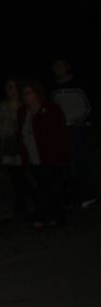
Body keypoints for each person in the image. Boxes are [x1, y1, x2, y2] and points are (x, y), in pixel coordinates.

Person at [17, 79, 71, 230]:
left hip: (50, 155)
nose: (26, 96)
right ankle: (48, 215)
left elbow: (59, 134)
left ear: (37, 94)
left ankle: (50, 217)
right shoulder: (23, 112)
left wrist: (62, 156)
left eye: (29, 93)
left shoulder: (51, 109)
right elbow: (21, 135)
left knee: (48, 187)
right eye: (24, 93)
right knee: (41, 187)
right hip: (32, 157)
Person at [50, 58, 95, 208]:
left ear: (67, 67)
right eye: (56, 66)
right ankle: (72, 196)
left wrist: (83, 119)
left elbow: (90, 106)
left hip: (77, 127)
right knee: (65, 163)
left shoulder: (80, 85)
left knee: (81, 161)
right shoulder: (53, 88)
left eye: (61, 65)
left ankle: (89, 195)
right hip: (61, 129)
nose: (58, 69)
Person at [0, 79, 30, 221]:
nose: (9, 90)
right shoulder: (4, 105)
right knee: (14, 175)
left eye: (12, 87)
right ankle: (23, 203)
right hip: (8, 144)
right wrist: (5, 133)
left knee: (22, 175)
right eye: (7, 87)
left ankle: (23, 205)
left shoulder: (25, 104)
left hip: (24, 145)